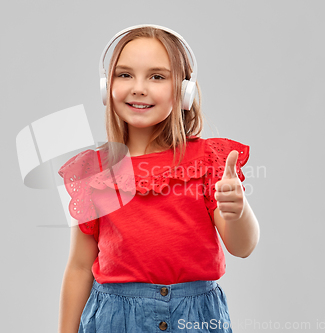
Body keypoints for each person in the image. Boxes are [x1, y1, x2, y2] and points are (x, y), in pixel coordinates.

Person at [57, 24, 260, 333]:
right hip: (114, 320)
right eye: (125, 75)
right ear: (107, 86)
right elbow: (80, 267)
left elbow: (242, 246)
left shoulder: (208, 162)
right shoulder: (94, 171)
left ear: (184, 90)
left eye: (157, 76)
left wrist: (238, 210)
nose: (139, 87)